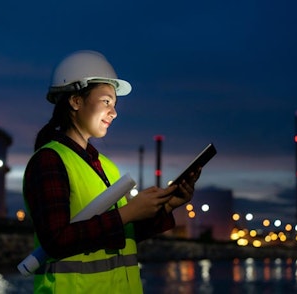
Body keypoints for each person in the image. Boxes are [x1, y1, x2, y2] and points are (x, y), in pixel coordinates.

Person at [23, 50, 201, 293]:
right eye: (106, 101)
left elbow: (121, 235)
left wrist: (168, 205)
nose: (114, 112)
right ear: (76, 101)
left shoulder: (105, 166)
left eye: (115, 104)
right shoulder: (49, 161)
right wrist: (127, 213)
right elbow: (56, 240)